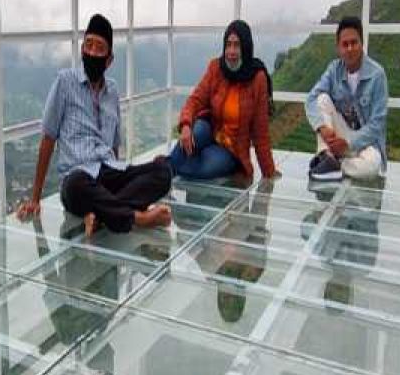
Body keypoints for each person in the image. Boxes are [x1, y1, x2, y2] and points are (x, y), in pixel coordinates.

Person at [17, 13, 172, 235]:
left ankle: (101, 214)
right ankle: (136, 217)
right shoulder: (64, 82)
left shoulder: (113, 91)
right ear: (81, 50)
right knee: (74, 184)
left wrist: (121, 180)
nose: (92, 52)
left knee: (163, 170)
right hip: (79, 178)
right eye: (88, 45)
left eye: (99, 47)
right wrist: (35, 198)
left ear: (109, 60)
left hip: (109, 172)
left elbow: (114, 145)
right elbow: (48, 137)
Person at [169, 19, 277, 180]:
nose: (231, 51)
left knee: (206, 167)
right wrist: (185, 125)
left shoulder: (257, 78)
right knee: (195, 133)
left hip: (231, 148)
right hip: (210, 130)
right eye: (228, 44)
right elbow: (195, 100)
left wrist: (269, 172)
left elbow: (261, 132)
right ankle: (164, 170)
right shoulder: (216, 68)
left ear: (246, 47)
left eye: (237, 45)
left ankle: (165, 167)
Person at [305, 15, 388, 181]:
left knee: (372, 165)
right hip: (339, 137)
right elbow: (311, 99)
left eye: (354, 42)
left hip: (365, 142)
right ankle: (327, 155)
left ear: (361, 43)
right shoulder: (334, 70)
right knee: (322, 99)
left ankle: (337, 165)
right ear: (338, 48)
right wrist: (322, 128)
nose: (350, 48)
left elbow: (377, 124)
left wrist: (348, 142)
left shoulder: (377, 75)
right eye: (345, 44)